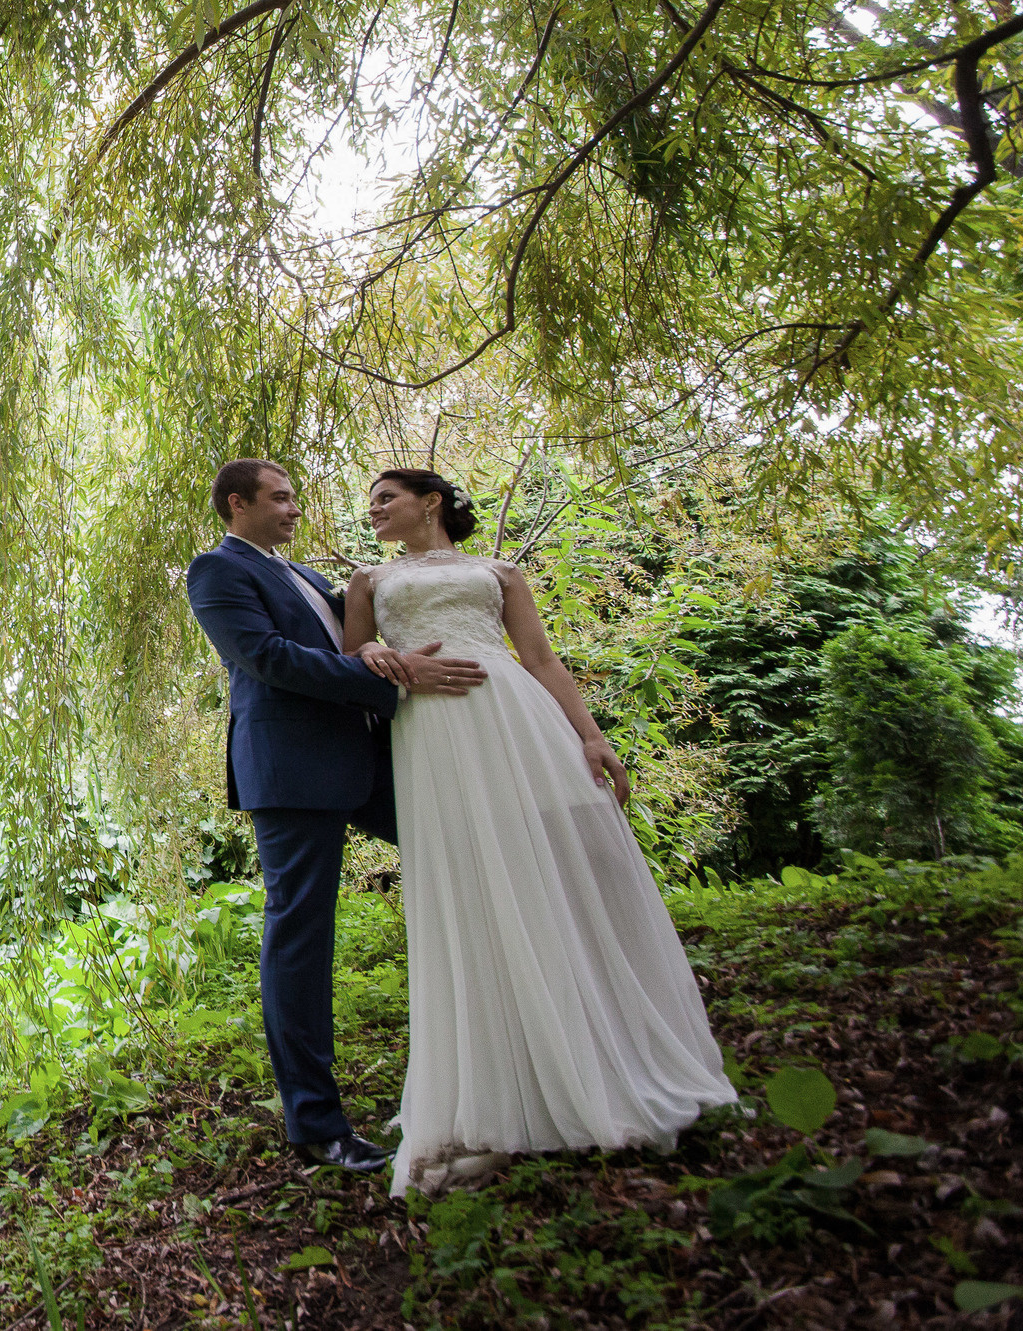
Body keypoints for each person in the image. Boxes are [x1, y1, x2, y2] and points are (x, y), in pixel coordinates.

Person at [345, 468, 735, 1193]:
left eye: (386, 497)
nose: (373, 509)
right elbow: (353, 657)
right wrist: (377, 657)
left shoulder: (500, 571)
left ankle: (597, 1051)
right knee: (470, 887)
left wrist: (590, 736)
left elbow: (543, 659)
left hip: (516, 717)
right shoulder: (368, 579)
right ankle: (497, 1078)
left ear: (431, 502)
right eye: (371, 501)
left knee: (553, 867)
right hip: (432, 727)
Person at [184, 459, 488, 1173]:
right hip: (291, 772)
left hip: (368, 759)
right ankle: (317, 1124)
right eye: (280, 497)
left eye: (294, 496)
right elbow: (266, 658)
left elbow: (354, 642)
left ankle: (482, 1063)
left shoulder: (301, 575)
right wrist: (391, 671)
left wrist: (383, 651)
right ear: (238, 502)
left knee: (473, 848)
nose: (295, 508)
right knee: (301, 936)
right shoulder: (217, 571)